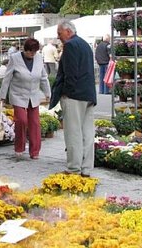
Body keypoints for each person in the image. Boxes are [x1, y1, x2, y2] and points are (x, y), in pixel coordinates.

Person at [49, 20, 97, 177]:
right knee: (87, 133)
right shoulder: (84, 44)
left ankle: (74, 168)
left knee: (73, 132)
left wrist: (66, 92)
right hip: (88, 94)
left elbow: (71, 73)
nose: (58, 37)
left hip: (74, 95)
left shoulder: (70, 45)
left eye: (59, 33)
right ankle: (86, 168)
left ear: (68, 32)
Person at [0, 38, 51, 160]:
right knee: (22, 121)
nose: (32, 54)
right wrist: (2, 96)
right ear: (25, 50)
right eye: (30, 52)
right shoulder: (15, 58)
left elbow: (43, 77)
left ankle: (35, 151)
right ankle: (19, 147)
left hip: (33, 95)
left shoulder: (38, 58)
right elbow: (7, 78)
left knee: (34, 123)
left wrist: (48, 93)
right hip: (18, 94)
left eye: (34, 52)